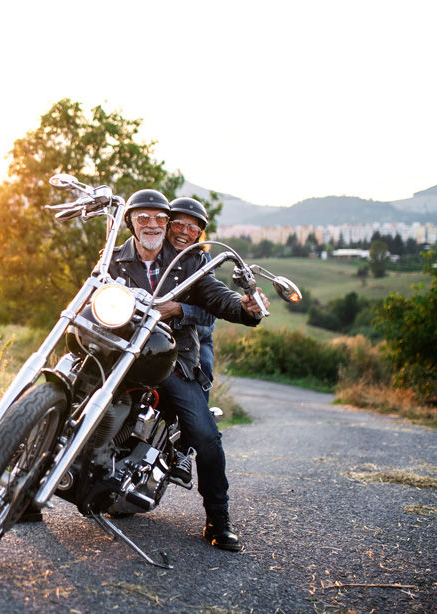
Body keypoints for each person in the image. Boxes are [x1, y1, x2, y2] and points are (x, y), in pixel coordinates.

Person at [107, 189, 269, 552]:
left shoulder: (187, 262)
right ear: (131, 219)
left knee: (206, 437)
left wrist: (244, 307)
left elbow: (216, 296)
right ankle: (26, 493)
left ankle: (218, 520)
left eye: (160, 219)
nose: (154, 225)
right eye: (144, 218)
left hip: (164, 356)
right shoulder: (114, 258)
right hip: (115, 350)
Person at [167, 197, 216, 404]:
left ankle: (198, 425)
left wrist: (178, 309)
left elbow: (209, 316)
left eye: (192, 229)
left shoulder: (203, 262)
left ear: (199, 235)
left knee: (202, 365)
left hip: (194, 335)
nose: (184, 232)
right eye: (178, 224)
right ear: (167, 225)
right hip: (152, 332)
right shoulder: (153, 253)